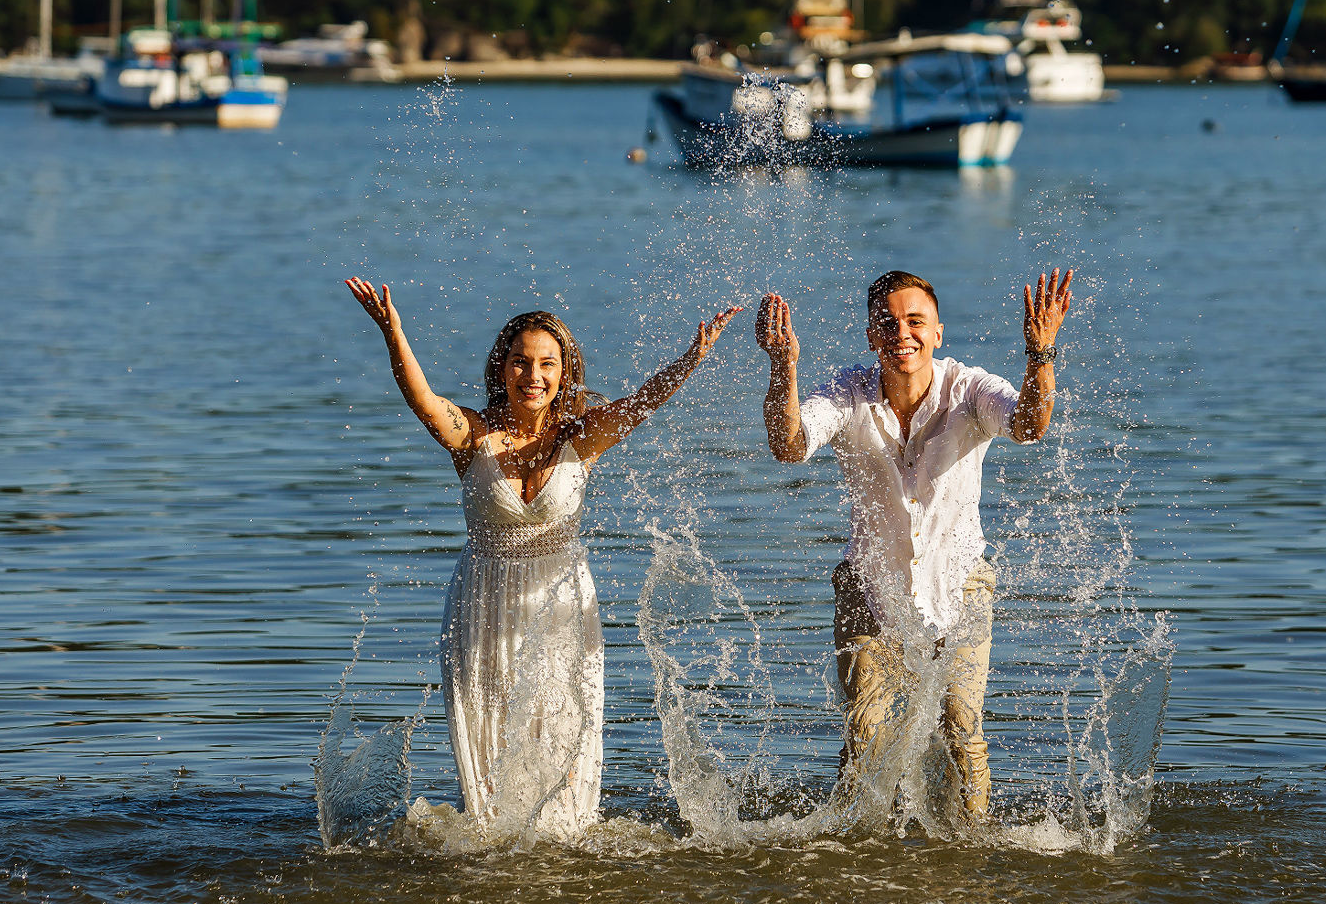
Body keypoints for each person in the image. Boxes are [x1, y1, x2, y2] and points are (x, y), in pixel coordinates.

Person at [346, 277, 740, 837]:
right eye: (520, 362)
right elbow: (425, 402)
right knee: (487, 763)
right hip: (484, 606)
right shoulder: (473, 438)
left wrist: (692, 358)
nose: (533, 376)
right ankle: (492, 863)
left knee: (563, 746)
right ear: (501, 369)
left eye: (547, 364)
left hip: (562, 610)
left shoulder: (582, 436)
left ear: (564, 371)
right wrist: (395, 335)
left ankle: (565, 853)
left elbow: (643, 403)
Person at [755, 268, 1072, 821]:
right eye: (889, 322)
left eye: (915, 321)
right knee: (867, 740)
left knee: (961, 732)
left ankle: (972, 856)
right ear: (872, 336)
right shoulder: (846, 393)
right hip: (868, 587)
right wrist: (785, 369)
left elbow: (1029, 424)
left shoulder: (969, 390)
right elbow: (789, 444)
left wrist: (1040, 353)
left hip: (961, 582)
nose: (903, 333)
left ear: (938, 332)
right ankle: (858, 860)